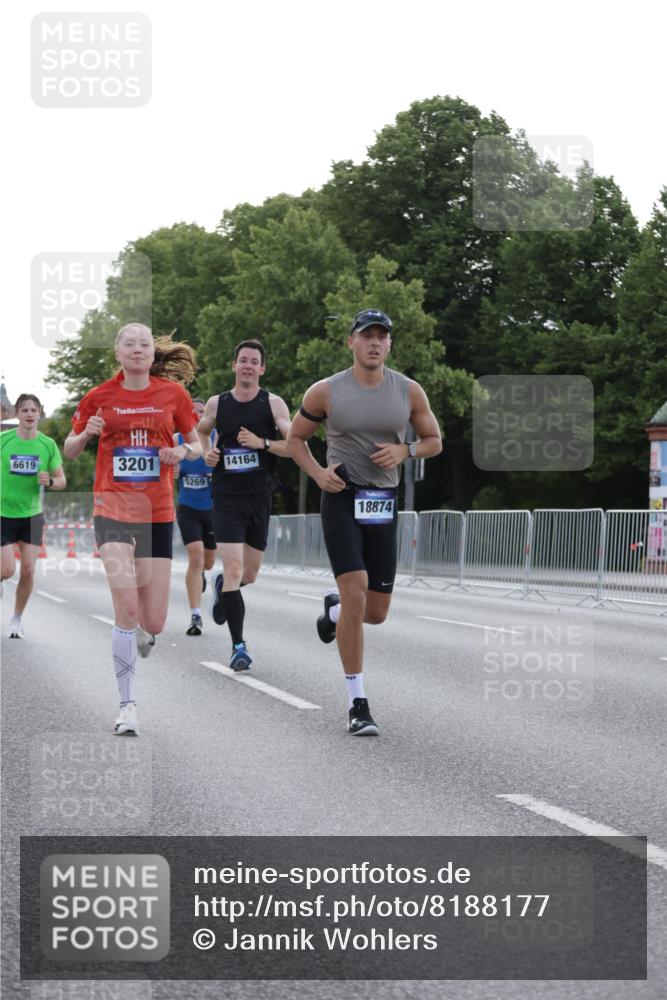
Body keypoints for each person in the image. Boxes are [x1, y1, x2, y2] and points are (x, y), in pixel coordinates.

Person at [287, 309, 442, 736]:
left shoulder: (408, 392)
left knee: (375, 612)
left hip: (382, 502)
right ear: (351, 342)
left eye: (382, 336)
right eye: (366, 335)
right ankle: (358, 703)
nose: (374, 342)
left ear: (390, 344)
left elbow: (435, 441)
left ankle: (334, 611)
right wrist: (318, 474)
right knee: (355, 591)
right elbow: (295, 439)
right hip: (341, 497)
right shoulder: (326, 391)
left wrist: (405, 452)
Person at [64, 323, 201, 736]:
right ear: (118, 353)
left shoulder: (172, 395)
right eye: (129, 344)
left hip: (157, 513)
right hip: (113, 510)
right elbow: (69, 450)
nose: (138, 349)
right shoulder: (99, 396)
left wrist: (181, 450)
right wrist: (85, 434)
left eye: (144, 344)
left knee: (154, 622)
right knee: (125, 610)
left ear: (151, 354)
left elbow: (199, 446)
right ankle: (127, 705)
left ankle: (142, 630)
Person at [197, 339, 291, 671]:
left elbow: (292, 444)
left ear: (262, 369)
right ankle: (239, 647)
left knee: (248, 575)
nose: (248, 366)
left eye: (254, 361)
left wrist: (262, 443)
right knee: (235, 568)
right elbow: (199, 432)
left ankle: (224, 587)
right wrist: (207, 450)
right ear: (234, 365)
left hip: (259, 497)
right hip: (226, 498)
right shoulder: (217, 403)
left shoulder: (274, 404)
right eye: (243, 360)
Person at [1, 393, 66, 637]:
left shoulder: (47, 445)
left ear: (39, 413)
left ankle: (16, 618)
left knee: (28, 570)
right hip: (2, 512)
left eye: (33, 410)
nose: (29, 414)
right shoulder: (3, 440)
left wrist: (49, 480)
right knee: (7, 571)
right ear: (17, 414)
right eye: (25, 410)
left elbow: (61, 481)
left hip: (31, 514)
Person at [174, 398, 216, 636]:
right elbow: (163, 471)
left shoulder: (217, 437)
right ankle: (196, 615)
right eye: (194, 412)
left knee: (208, 563)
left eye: (202, 412)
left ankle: (201, 576)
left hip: (213, 510)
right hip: (188, 507)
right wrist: (172, 470)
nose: (198, 416)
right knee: (196, 557)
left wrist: (216, 474)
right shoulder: (176, 441)